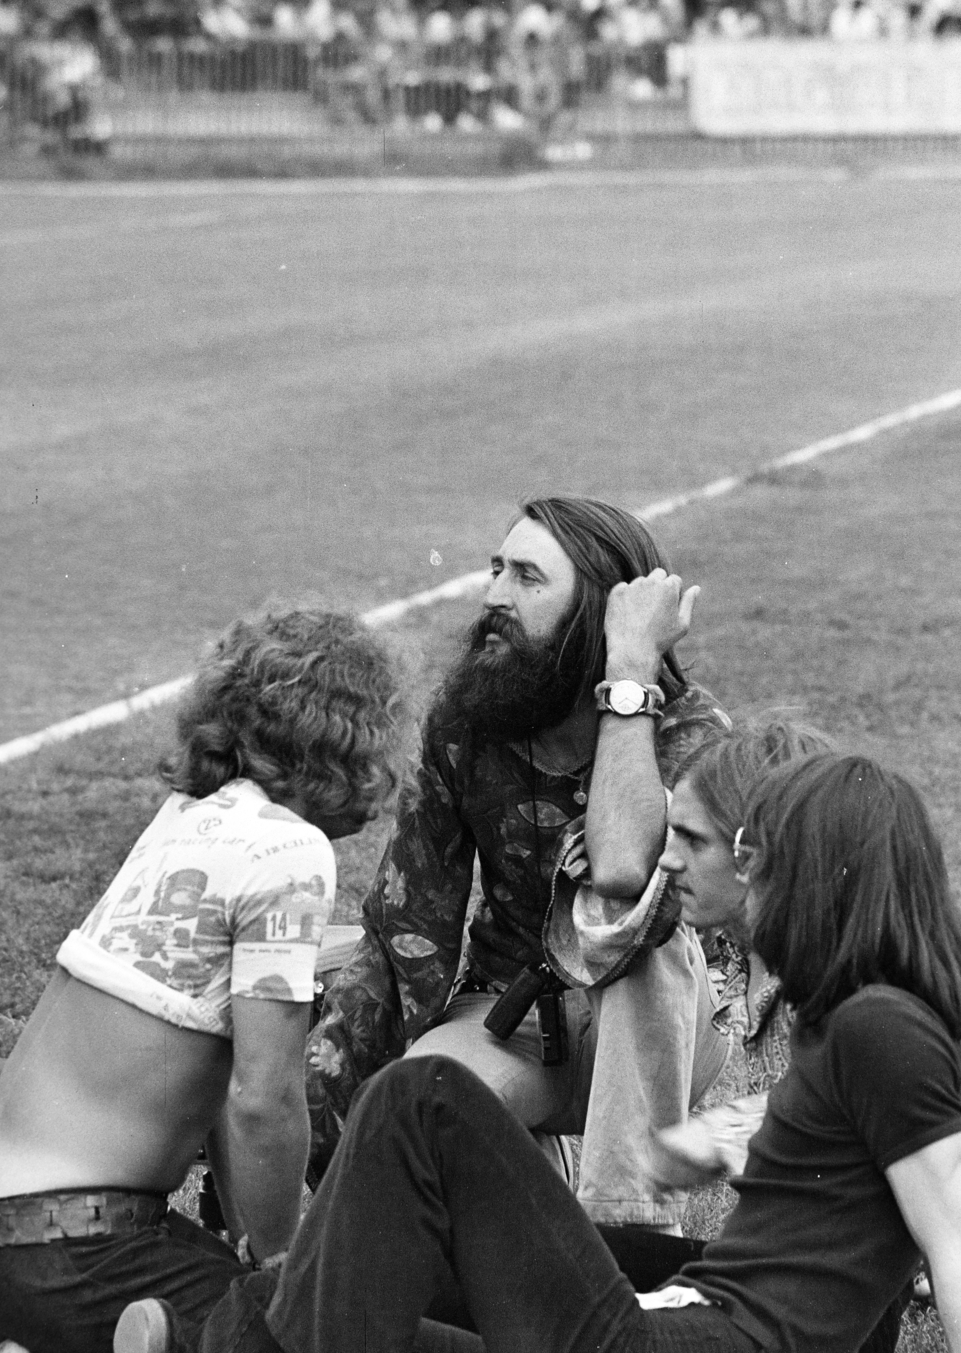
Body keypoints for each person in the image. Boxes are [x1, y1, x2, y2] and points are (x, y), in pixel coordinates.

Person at [27, 741, 961, 1353]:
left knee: (427, 1095)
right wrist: (699, 1156)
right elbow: (808, 1174)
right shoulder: (849, 1024)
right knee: (314, 1280)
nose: (726, 875)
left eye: (756, 856)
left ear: (820, 873)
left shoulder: (885, 1032)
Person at [0, 608, 403, 1353]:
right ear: (355, 741)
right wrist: (285, 1267)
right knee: (334, 1350)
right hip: (80, 1246)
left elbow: (210, 1084)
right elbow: (262, 1100)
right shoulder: (290, 854)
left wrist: (248, 1250)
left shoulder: (186, 819)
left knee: (231, 1299)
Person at [305, 496, 732, 1228]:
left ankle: (631, 1240)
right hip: (510, 1011)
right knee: (413, 1115)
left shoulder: (693, 732)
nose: (495, 595)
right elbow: (411, 922)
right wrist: (331, 1085)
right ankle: (539, 1197)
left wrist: (629, 674)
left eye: (528, 578)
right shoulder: (465, 720)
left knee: (635, 942)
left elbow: (625, 873)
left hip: (659, 1022)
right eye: (496, 569)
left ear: (597, 612)